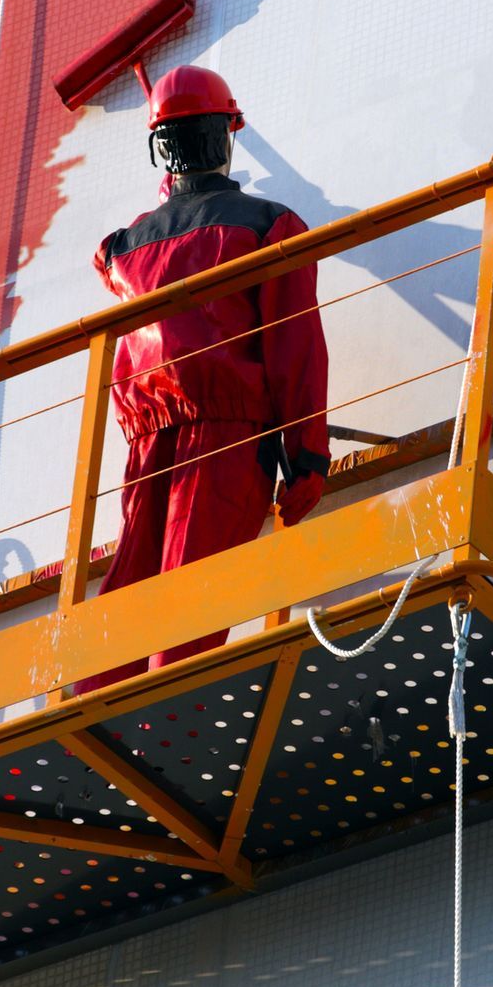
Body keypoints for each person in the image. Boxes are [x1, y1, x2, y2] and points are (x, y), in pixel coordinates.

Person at [77, 65, 330, 691]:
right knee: (194, 591)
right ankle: (163, 715)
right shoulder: (268, 226)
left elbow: (122, 260)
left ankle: (97, 708)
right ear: (227, 135)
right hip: (225, 439)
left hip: (148, 440)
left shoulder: (125, 247)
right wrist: (307, 458)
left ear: (160, 149)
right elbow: (294, 345)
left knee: (132, 587)